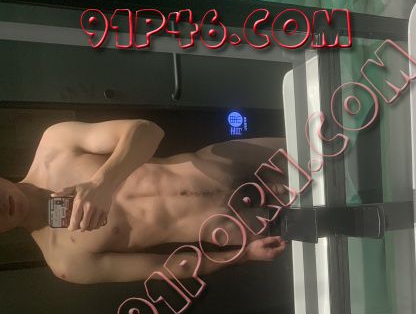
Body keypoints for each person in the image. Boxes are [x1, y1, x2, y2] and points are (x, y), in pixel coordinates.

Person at [0, 119, 287, 284]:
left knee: (312, 147)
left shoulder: (55, 144)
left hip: (223, 163)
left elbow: (148, 131)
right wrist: (244, 254)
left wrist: (104, 183)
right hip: (232, 224)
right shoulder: (66, 261)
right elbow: (162, 267)